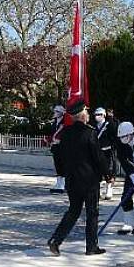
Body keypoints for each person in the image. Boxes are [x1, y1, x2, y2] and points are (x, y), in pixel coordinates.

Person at [48, 100, 107, 256]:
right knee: (92, 213)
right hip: (89, 181)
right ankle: (91, 247)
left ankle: (56, 240)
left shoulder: (65, 133)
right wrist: (107, 174)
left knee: (73, 212)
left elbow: (58, 156)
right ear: (82, 115)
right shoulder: (90, 132)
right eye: (86, 112)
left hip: (72, 180)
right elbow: (98, 157)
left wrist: (62, 173)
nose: (88, 114)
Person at [93, 107, 116, 200]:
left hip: (107, 151)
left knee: (108, 170)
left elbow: (113, 137)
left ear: (104, 115)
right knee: (96, 171)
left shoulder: (109, 125)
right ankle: (97, 190)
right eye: (96, 115)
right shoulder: (93, 126)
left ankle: (109, 189)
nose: (97, 117)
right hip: (97, 151)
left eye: (99, 115)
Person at [47, 105, 66, 194]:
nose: (55, 113)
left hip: (62, 147)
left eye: (57, 111)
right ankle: (58, 183)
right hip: (55, 147)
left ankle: (63, 184)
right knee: (57, 165)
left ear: (62, 113)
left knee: (62, 165)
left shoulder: (65, 122)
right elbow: (51, 132)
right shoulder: (54, 122)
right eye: (55, 111)